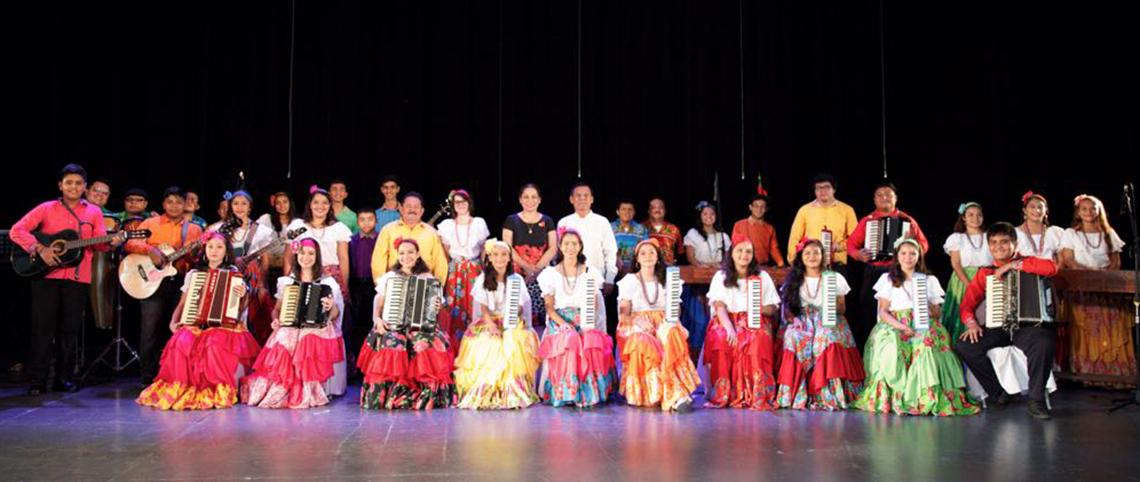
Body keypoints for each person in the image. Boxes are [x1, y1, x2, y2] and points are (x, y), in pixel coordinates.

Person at [9, 164, 119, 395]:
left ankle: (63, 378)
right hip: (46, 276)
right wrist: (39, 248)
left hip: (78, 278)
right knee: (42, 328)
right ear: (60, 185)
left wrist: (111, 242)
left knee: (69, 330)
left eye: (78, 183)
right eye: (69, 182)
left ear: (85, 188)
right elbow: (17, 230)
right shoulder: (46, 208)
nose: (73, 187)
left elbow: (97, 243)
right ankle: (37, 380)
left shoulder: (94, 212)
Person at [852, 238, 978, 416]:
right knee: (892, 346)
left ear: (919, 256)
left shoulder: (929, 280)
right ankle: (898, 396)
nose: (908, 257)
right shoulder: (887, 279)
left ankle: (927, 396)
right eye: (903, 253)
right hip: (896, 322)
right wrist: (901, 326)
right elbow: (883, 312)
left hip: (923, 321)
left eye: (912, 253)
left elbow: (937, 312)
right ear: (897, 256)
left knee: (927, 344)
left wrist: (929, 307)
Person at [137, 233, 260, 410]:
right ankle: (184, 386)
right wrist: (174, 320)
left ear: (226, 252)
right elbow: (183, 302)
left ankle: (214, 387)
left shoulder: (233, 273)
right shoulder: (194, 274)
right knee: (181, 341)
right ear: (204, 250)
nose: (214, 251)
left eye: (219, 247)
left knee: (213, 342)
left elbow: (241, 308)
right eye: (210, 247)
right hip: (196, 322)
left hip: (224, 325)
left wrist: (243, 294)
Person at [955, 222, 1059, 419]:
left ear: (1015, 243)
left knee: (1044, 342)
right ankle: (998, 393)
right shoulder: (985, 272)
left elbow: (1052, 268)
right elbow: (967, 305)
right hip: (999, 327)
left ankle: (1036, 400)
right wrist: (971, 322)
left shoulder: (1029, 263)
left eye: (1004, 242)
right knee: (965, 345)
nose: (998, 247)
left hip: (1028, 327)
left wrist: (1011, 265)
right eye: (993, 243)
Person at [242, 238, 345, 408]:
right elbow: (277, 310)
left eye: (311, 253)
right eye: (302, 253)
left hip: (317, 325)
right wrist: (275, 320)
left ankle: (307, 388)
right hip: (291, 324)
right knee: (284, 337)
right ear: (297, 255)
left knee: (307, 338)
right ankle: (283, 387)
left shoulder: (327, 282)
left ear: (317, 256)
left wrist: (330, 307)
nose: (306, 257)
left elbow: (335, 313)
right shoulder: (287, 282)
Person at [359, 238, 456, 409]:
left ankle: (424, 396)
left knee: (427, 346)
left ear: (418, 254)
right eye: (402, 253)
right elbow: (378, 302)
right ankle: (390, 395)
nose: (406, 256)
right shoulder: (390, 277)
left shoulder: (428, 278)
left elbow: (435, 309)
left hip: (420, 326)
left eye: (411, 252)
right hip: (394, 324)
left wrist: (437, 306)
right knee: (392, 344)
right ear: (398, 255)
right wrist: (377, 320)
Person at [125, 187, 204, 386]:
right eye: (170, 202)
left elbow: (198, 260)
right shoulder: (150, 223)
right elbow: (130, 244)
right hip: (151, 281)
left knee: (179, 328)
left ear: (185, 204)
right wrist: (150, 249)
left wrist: (194, 254)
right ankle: (147, 377)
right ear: (163, 204)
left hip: (180, 283)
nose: (174, 206)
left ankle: (176, 375)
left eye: (179, 202)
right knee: (149, 330)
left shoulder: (194, 229)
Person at [775, 238, 864, 410]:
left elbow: (842, 308)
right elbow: (787, 310)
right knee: (793, 337)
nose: (812, 256)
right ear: (801, 257)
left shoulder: (834, 277)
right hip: (803, 319)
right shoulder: (794, 279)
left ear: (823, 256)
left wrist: (830, 305)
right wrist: (795, 320)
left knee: (825, 337)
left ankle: (827, 395)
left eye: (816, 252)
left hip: (829, 318)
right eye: (807, 253)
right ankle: (795, 395)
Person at [453, 239, 541, 409]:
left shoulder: (516, 280)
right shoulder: (483, 279)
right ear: (490, 258)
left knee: (512, 342)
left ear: (509, 258)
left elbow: (522, 307)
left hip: (510, 320)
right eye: (495, 255)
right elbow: (483, 308)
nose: (500, 258)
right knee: (488, 344)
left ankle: (512, 390)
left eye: (503, 255)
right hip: (489, 320)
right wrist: (491, 324)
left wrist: (516, 322)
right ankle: (488, 390)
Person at [616, 239, 700, 411]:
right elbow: (624, 312)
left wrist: (669, 321)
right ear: (637, 259)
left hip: (664, 319)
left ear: (658, 257)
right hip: (635, 321)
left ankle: (675, 393)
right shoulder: (630, 280)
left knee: (672, 334)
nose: (648, 256)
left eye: (652, 252)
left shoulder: (668, 280)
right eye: (643, 253)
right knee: (642, 340)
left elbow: (675, 308)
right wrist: (636, 321)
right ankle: (659, 395)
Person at [536, 228, 615, 407]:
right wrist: (565, 324)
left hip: (584, 317)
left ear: (580, 247)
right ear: (560, 247)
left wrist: (585, 322)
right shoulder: (550, 274)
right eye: (566, 244)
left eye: (574, 244)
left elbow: (593, 303)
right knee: (569, 338)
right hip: (560, 319)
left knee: (589, 338)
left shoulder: (590, 272)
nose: (570, 247)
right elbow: (549, 308)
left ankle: (589, 391)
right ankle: (566, 391)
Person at [1058, 194, 1132, 385]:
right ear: (1078, 212)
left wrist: (1105, 277)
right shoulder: (1071, 233)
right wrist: (1088, 275)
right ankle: (1089, 375)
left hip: (1108, 289)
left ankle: (1115, 375)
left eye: (1092, 208)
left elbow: (1116, 260)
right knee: (1089, 331)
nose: (1089, 212)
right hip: (1082, 289)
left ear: (1099, 211)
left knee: (1110, 329)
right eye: (1084, 209)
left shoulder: (1108, 233)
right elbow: (1068, 259)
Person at [846, 180, 929, 346]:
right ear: (874, 199)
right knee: (869, 310)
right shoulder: (867, 221)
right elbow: (851, 246)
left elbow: (924, 245)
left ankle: (904, 342)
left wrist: (911, 247)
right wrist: (859, 255)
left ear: (895, 198)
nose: (884, 198)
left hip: (900, 271)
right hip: (874, 271)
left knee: (900, 309)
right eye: (880, 195)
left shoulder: (906, 220)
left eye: (888, 195)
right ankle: (872, 348)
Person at [703, 234, 781, 410]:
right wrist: (730, 329)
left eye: (748, 251)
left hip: (753, 317)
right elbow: (719, 305)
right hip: (727, 318)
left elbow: (773, 307)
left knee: (756, 338)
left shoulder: (762, 276)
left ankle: (756, 393)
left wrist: (756, 308)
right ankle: (723, 393)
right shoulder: (721, 276)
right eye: (740, 250)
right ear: (732, 253)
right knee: (722, 337)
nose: (744, 255)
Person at [211, 191, 275, 345]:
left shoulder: (260, 230)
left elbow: (265, 261)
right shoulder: (221, 228)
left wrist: (261, 284)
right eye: (235, 203)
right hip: (226, 277)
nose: (239, 207)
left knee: (249, 317)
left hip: (251, 278)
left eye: (243, 203)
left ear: (250, 207)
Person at [502, 183, 558, 327]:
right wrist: (526, 267)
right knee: (518, 316)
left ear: (539, 200)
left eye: (534, 197)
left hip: (542, 275)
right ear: (520, 200)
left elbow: (553, 247)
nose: (530, 200)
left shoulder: (548, 221)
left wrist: (536, 270)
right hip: (517, 274)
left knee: (541, 317)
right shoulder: (511, 220)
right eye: (526, 197)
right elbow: (507, 246)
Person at [436, 189, 490, 339]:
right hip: (455, 270)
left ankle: (475, 342)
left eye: (463, 201)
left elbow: (483, 248)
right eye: (456, 202)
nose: (460, 205)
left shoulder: (479, 223)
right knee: (454, 306)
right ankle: (455, 343)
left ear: (469, 203)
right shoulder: (446, 225)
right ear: (452, 205)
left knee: (475, 304)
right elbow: (445, 252)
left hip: (474, 269)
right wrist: (454, 266)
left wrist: (483, 269)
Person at [681, 201, 730, 363]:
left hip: (719, 282)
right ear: (700, 216)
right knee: (699, 321)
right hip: (698, 282)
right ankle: (695, 360)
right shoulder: (693, 234)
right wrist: (706, 267)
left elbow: (728, 259)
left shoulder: (723, 236)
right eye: (705, 214)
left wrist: (719, 267)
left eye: (712, 214)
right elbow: (691, 258)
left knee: (717, 320)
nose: (709, 217)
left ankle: (715, 358)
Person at [283, 186, 353, 298]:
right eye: (316, 202)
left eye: (325, 203)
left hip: (331, 278)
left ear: (330, 206)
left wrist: (344, 286)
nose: (320, 206)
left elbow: (343, 259)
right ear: (310, 205)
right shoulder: (298, 226)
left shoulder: (339, 228)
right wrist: (286, 281)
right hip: (303, 275)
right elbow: (288, 257)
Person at [785, 174, 858, 277]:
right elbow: (794, 237)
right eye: (818, 188)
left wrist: (840, 246)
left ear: (834, 190)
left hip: (836, 265)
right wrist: (793, 261)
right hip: (810, 264)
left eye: (827, 187)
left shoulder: (847, 210)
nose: (822, 191)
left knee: (836, 293)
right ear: (815, 191)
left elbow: (855, 239)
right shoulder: (804, 210)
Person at [940, 202, 992, 340]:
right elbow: (956, 264)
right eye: (970, 215)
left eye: (979, 215)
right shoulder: (957, 238)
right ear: (963, 217)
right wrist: (970, 285)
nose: (975, 218)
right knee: (963, 313)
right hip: (964, 279)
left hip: (987, 278)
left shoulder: (989, 237)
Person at [371, 192, 449, 282]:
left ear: (422, 211)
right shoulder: (388, 230)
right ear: (401, 209)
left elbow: (440, 263)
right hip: (395, 284)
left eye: (416, 207)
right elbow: (378, 260)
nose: (412, 209)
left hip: (424, 284)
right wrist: (381, 286)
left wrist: (437, 287)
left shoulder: (431, 233)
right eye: (408, 206)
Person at [347, 207, 379, 372]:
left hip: (375, 286)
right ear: (357, 222)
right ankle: (357, 365)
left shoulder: (380, 239)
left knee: (371, 323)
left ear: (376, 221)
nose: (366, 223)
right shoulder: (351, 241)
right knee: (356, 325)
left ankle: (372, 364)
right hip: (356, 285)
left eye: (370, 219)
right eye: (362, 219)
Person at [256, 191, 298, 287]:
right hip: (266, 265)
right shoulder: (266, 219)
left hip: (289, 266)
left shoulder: (297, 223)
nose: (282, 205)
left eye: (285, 202)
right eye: (278, 203)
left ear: (290, 203)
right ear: (274, 205)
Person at [731, 193, 785, 267]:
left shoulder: (770, 228)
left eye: (762, 207)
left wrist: (780, 262)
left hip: (762, 266)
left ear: (766, 209)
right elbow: (735, 246)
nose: (759, 209)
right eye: (756, 206)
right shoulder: (739, 225)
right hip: (743, 264)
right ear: (750, 207)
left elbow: (773, 248)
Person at [1016, 191, 1065, 262]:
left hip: (1052, 272)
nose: (1036, 210)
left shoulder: (1056, 232)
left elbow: (1062, 261)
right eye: (1032, 207)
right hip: (1023, 272)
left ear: (1046, 211)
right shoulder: (1015, 233)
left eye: (1040, 207)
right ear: (1024, 210)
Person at [611, 199, 648, 274]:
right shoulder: (609, 227)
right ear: (617, 212)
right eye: (623, 209)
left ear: (634, 212)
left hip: (635, 271)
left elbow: (646, 249)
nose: (627, 212)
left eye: (630, 209)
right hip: (613, 271)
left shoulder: (641, 229)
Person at [644, 198, 684, 266]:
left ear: (665, 211)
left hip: (668, 271)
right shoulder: (640, 228)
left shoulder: (674, 229)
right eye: (653, 208)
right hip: (646, 270)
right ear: (649, 211)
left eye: (661, 207)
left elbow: (680, 252)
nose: (657, 210)